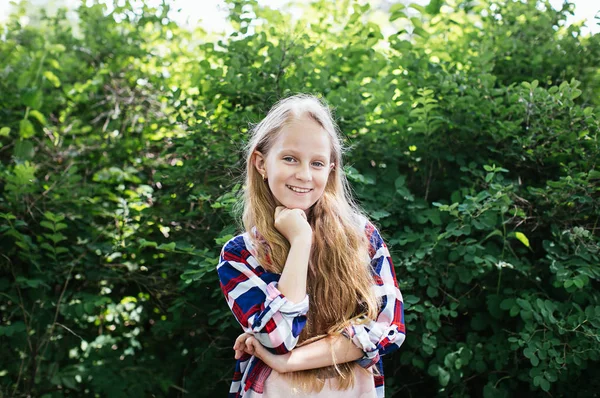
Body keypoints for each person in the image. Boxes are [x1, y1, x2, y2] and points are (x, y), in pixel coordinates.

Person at [216, 94, 405, 397]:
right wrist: (301, 241)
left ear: (331, 168)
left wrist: (289, 362)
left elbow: (387, 329)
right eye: (290, 158)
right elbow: (278, 337)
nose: (304, 175)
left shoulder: (360, 237)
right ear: (262, 163)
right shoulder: (240, 255)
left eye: (317, 163)